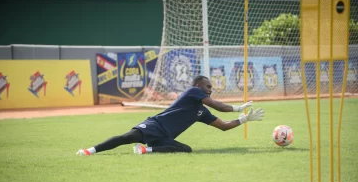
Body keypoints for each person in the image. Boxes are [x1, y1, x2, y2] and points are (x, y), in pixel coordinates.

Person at [76, 75, 264, 155]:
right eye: (208, 86)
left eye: (211, 88)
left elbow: (223, 126)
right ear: (199, 86)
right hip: (155, 125)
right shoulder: (193, 92)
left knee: (186, 150)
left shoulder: (201, 111)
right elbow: (219, 107)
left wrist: (245, 119)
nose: (210, 90)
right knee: (127, 137)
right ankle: (89, 151)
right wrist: (240, 108)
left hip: (165, 136)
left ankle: (145, 150)